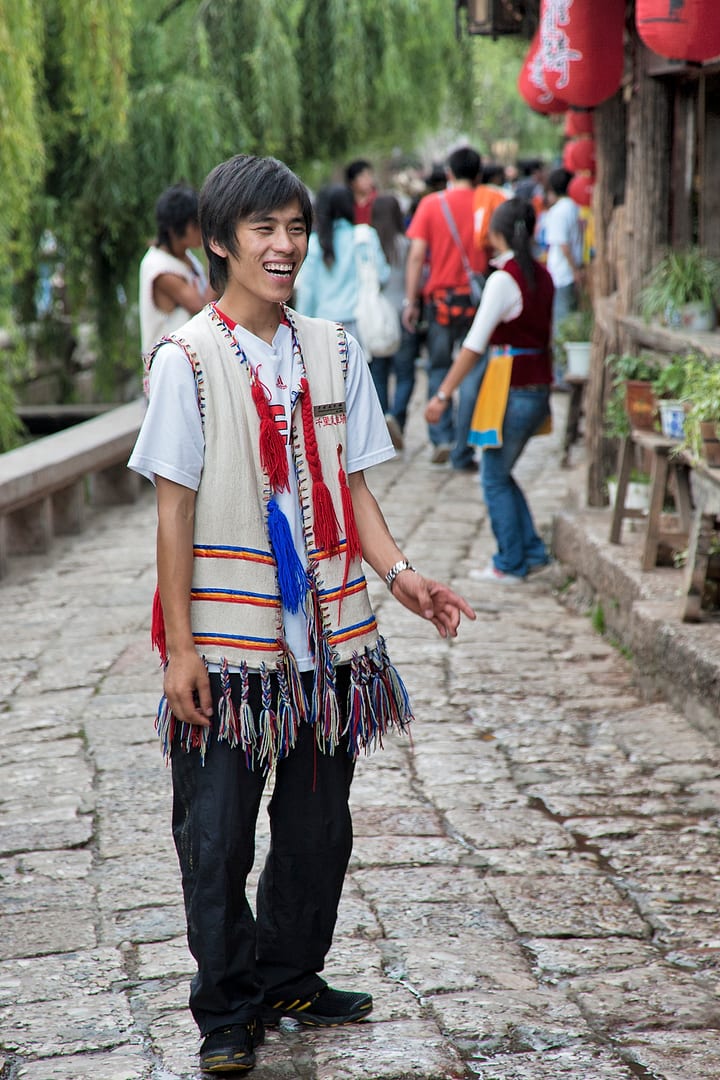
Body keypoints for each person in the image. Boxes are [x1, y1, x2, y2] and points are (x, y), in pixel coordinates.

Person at [127, 153, 475, 1075]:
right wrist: (181, 650)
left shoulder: (333, 349)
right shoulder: (187, 362)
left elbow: (353, 489)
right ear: (220, 243)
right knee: (217, 834)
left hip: (326, 640)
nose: (283, 247)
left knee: (322, 828)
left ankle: (289, 972)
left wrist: (403, 577)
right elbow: (174, 513)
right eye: (262, 230)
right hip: (230, 644)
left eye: (295, 229)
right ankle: (226, 1007)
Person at [425, 197, 554, 583]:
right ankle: (531, 549)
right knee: (502, 471)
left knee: (493, 475)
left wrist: (442, 394)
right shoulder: (541, 275)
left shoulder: (504, 278)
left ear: (495, 233)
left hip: (512, 389)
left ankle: (510, 562)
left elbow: (472, 345)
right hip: (537, 385)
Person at [403, 146, 486, 471]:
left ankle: (442, 438)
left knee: (438, 368)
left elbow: (415, 256)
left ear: (449, 173)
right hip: (477, 303)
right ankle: (464, 446)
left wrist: (411, 301)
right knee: (471, 373)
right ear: (478, 174)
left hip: (439, 303)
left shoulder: (431, 204)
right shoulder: (487, 204)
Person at [293, 182, 389, 344]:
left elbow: (307, 291)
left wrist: (300, 328)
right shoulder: (365, 237)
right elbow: (383, 276)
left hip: (322, 328)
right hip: (361, 325)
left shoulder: (315, 244)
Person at [138, 183, 215, 357]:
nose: (201, 229)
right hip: (168, 363)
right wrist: (213, 256)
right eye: (195, 224)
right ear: (175, 229)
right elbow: (203, 309)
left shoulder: (185, 257)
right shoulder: (159, 269)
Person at [368, 193, 419, 450]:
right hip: (402, 314)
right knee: (405, 373)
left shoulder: (370, 244)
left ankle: (383, 421)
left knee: (377, 372)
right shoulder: (407, 244)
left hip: (377, 318)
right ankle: (395, 417)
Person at [543, 167, 583, 346]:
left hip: (562, 273)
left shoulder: (558, 211)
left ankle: (561, 369)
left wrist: (574, 270)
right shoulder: (573, 207)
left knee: (561, 321)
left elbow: (563, 245)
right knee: (567, 319)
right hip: (568, 271)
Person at [344, 158, 376, 225]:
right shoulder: (346, 205)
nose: (368, 179)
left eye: (369, 175)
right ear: (352, 182)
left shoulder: (378, 201)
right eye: (362, 176)